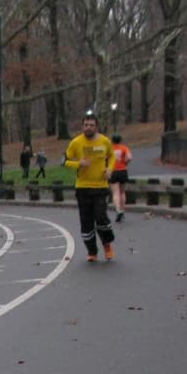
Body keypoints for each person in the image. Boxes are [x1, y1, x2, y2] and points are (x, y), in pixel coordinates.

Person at [64, 112, 115, 262]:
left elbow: (112, 156)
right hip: (82, 187)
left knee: (101, 217)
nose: (88, 128)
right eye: (86, 125)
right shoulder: (76, 143)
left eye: (91, 125)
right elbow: (64, 161)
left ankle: (107, 245)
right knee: (86, 222)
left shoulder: (105, 141)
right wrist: (78, 163)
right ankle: (92, 251)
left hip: (100, 186)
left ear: (96, 127)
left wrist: (110, 169)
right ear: (82, 126)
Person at [108, 133, 132, 221]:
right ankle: (122, 210)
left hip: (113, 171)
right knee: (122, 192)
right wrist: (125, 162)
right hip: (123, 171)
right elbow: (129, 157)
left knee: (115, 192)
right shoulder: (124, 148)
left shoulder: (109, 149)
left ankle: (117, 210)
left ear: (112, 140)